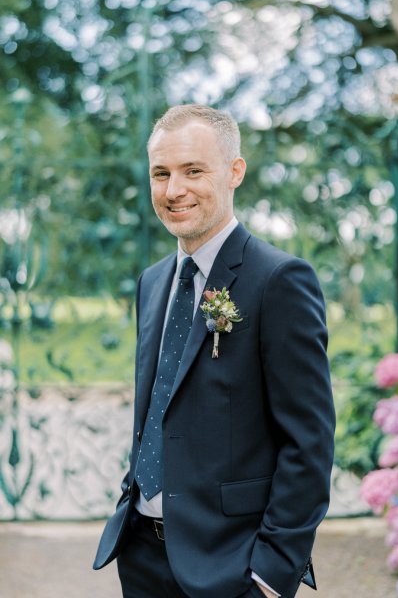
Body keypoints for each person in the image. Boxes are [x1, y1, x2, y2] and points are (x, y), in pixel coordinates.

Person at [93, 104, 335, 598]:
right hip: (141, 554)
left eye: (193, 170)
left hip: (232, 567)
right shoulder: (152, 281)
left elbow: (309, 442)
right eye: (161, 173)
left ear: (234, 172)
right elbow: (161, 406)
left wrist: (271, 574)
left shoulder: (279, 280)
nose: (174, 189)